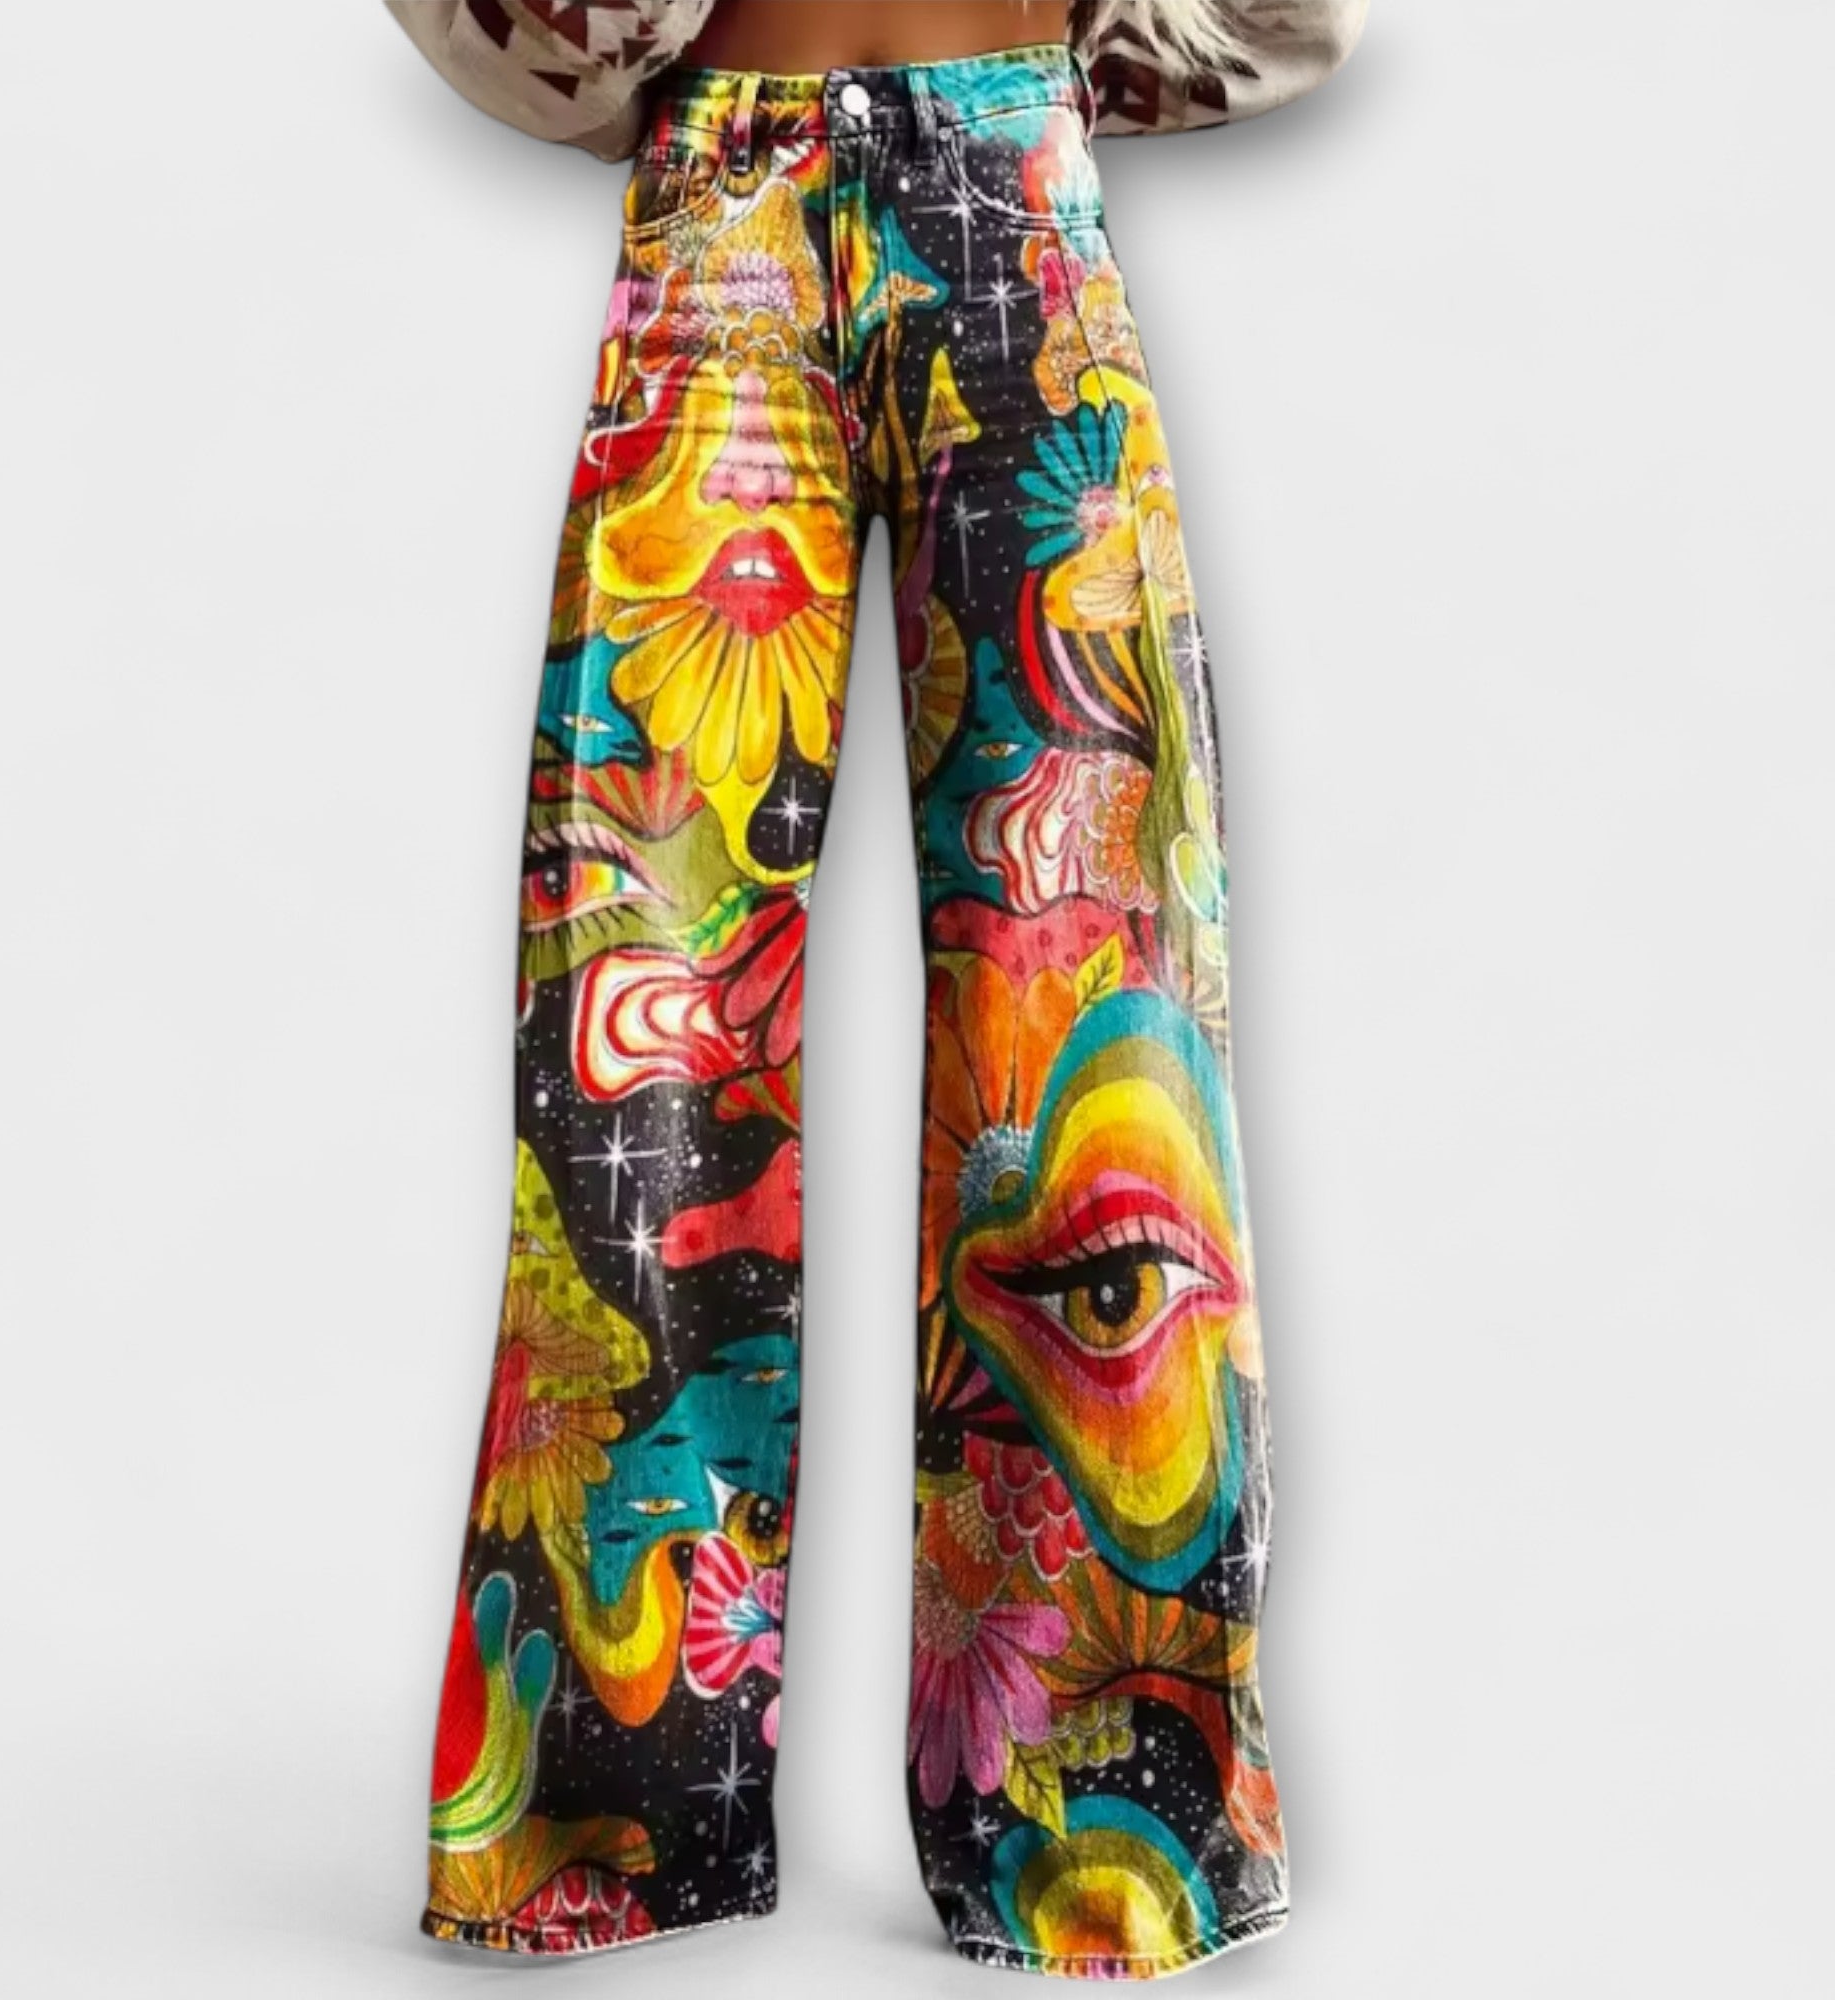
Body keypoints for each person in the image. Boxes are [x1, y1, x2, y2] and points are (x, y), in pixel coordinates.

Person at [385, 0, 1367, 1978]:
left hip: (1012, 191)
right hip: (718, 221)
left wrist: (1086, 67)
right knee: (641, 1014)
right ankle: (602, 1813)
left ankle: (1103, 1819)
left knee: (1092, 1024)